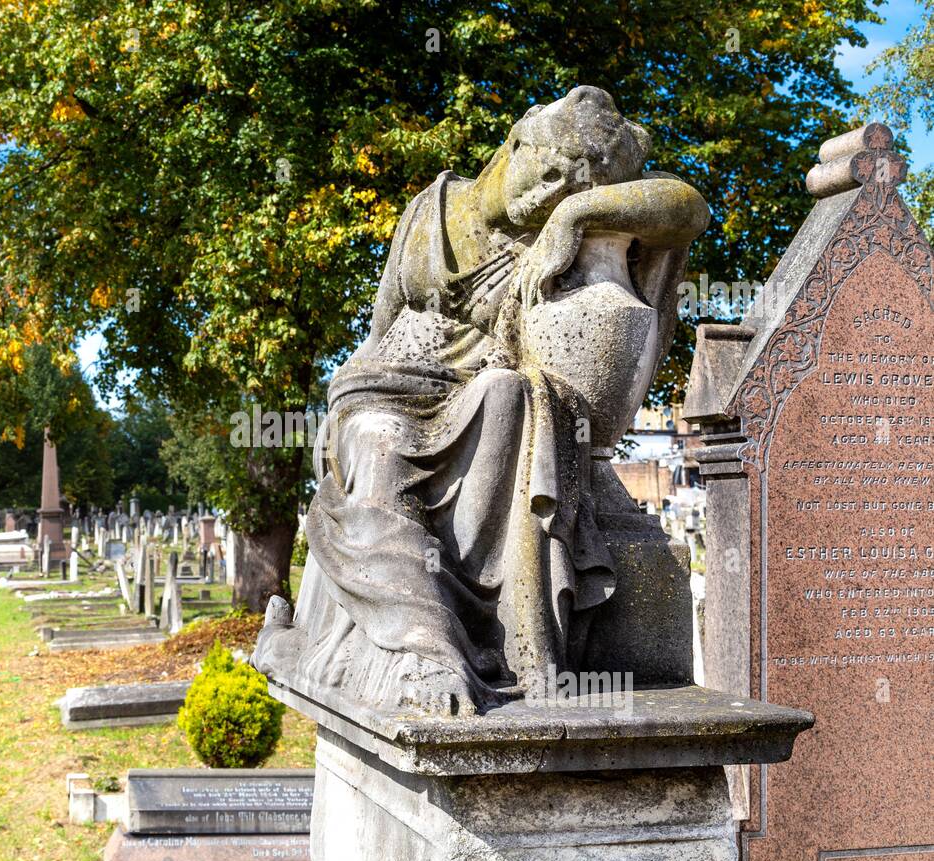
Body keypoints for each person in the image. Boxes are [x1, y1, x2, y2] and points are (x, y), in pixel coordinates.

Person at [254, 87, 708, 716]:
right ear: (517, 142)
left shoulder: (545, 238)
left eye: (566, 189)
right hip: (382, 392)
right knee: (380, 446)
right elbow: (379, 330)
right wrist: (344, 407)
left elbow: (686, 207)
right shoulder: (428, 210)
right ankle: (423, 650)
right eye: (547, 173)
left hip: (472, 396)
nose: (546, 194)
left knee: (510, 394)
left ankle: (506, 640)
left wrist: (576, 217)